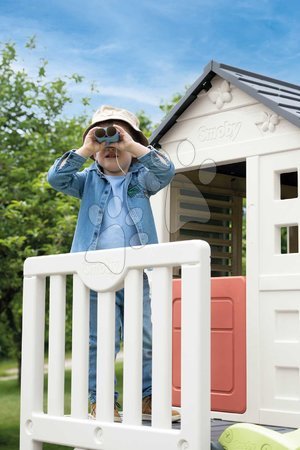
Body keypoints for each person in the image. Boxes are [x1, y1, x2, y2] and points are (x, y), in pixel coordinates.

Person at [47, 105, 180, 423]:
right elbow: (56, 178)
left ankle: (147, 397)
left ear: (134, 151)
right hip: (95, 273)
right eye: (102, 141)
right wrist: (87, 147)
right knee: (97, 340)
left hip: (135, 272)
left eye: (117, 139)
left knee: (145, 336)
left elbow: (166, 170)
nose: (110, 147)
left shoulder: (143, 180)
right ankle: (101, 401)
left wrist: (128, 144)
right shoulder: (86, 182)